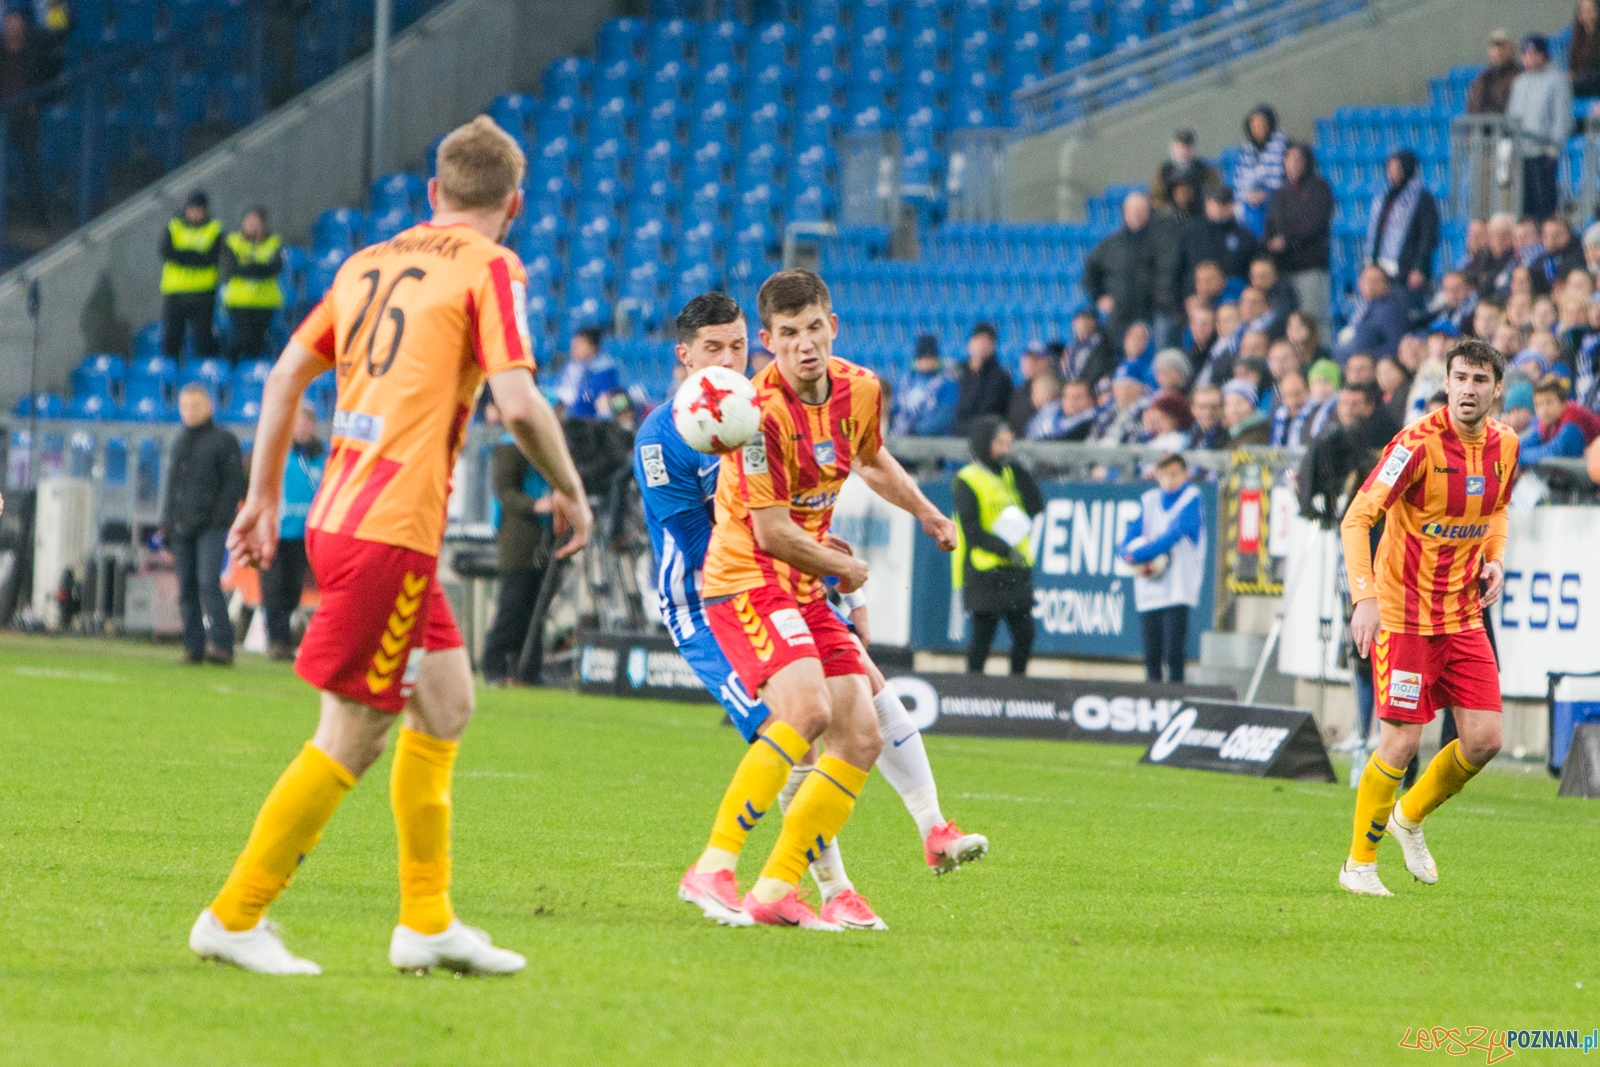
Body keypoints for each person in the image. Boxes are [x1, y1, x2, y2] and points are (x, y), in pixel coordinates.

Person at [188, 116, 593, 976]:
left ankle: (427, 919)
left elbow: (283, 376)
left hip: (342, 516)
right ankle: (233, 914)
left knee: (445, 702)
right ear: (514, 204)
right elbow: (518, 404)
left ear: (432, 195)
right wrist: (570, 485)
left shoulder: (364, 261)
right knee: (356, 730)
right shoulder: (493, 266)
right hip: (390, 533)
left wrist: (264, 498)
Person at [653, 295, 987, 932]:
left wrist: (925, 511)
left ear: (832, 327)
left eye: (813, 329)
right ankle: (714, 865)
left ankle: (778, 887)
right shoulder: (756, 413)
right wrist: (846, 572)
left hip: (802, 584)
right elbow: (773, 532)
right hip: (747, 579)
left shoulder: (861, 388)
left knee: (861, 734)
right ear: (770, 344)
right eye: (787, 334)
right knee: (806, 712)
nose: (804, 344)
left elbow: (871, 458)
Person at [1337, 339, 1518, 897]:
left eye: (1479, 379)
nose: (1468, 388)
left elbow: (1498, 509)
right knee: (1401, 741)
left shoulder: (1506, 445)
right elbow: (1357, 516)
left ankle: (1407, 816)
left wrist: (1494, 558)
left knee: (1486, 738)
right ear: (1446, 381)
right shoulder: (1415, 444)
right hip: (1404, 613)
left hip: (1462, 614)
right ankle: (1358, 866)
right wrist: (1363, 597)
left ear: (1495, 389)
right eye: (1459, 377)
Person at [162, 384, 247, 666]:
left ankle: (222, 645)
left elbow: (235, 482)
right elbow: (173, 487)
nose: (189, 411)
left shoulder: (224, 441)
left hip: (210, 525)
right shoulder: (179, 442)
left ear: (209, 407)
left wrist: (221, 517)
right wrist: (167, 524)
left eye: (195, 406)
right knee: (186, 586)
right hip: (181, 526)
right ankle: (193, 646)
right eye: (184, 406)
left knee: (208, 582)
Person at [953, 416, 1043, 677]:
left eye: (1008, 443)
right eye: (1000, 443)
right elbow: (972, 530)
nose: (1005, 449)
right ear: (984, 444)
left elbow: (1036, 506)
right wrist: (1005, 549)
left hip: (1016, 571)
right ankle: (974, 691)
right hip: (986, 570)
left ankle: (1017, 687)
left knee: (1025, 636)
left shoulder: (1011, 474)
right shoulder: (967, 479)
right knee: (983, 638)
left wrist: (1021, 472)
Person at [480, 406, 554, 686]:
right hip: (519, 539)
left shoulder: (544, 447)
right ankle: (494, 664)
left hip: (543, 536)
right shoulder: (510, 447)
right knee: (513, 605)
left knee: (537, 607)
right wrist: (536, 505)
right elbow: (504, 491)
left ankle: (528, 668)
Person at [1119, 453, 1205, 683]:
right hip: (1150, 587)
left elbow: (1171, 537)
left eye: (1175, 474)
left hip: (1179, 587)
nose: (1169, 480)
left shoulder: (1191, 498)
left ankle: (1176, 698)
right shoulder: (1148, 500)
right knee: (1151, 654)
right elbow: (1130, 534)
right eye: (1164, 475)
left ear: (1185, 474)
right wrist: (1123, 552)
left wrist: (1135, 555)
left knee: (1174, 653)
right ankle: (1153, 702)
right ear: (1156, 475)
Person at [260, 401, 323, 661]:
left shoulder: (322, 457)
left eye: (308, 423)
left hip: (303, 534)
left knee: (293, 588)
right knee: (273, 588)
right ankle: (277, 641)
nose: (304, 427)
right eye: (299, 422)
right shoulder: (278, 453)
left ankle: (285, 639)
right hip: (275, 533)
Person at [1264, 143, 1334, 336]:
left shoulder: (1319, 188)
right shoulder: (1280, 193)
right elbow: (1270, 226)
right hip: (1284, 269)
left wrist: (1287, 241)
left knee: (1313, 321)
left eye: (1298, 158)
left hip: (1310, 268)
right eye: (1289, 158)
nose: (1293, 163)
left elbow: (1315, 224)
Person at [1506, 35, 1573, 223]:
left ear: (1544, 55)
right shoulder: (1519, 82)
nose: (1529, 58)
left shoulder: (1556, 80)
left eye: (1534, 53)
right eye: (1526, 54)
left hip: (1543, 151)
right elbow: (1512, 116)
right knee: (1524, 207)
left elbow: (1562, 117)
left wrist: (1553, 148)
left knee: (1544, 206)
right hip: (1522, 153)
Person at [1084, 191, 1162, 341]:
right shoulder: (1110, 245)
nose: (1136, 215)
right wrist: (1099, 297)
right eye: (1132, 211)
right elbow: (1091, 272)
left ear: (1148, 213)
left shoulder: (1159, 242)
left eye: (1140, 211)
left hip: (1152, 313)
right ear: (1125, 213)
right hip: (1120, 316)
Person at [1365, 150, 1439, 301]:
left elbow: (1428, 236)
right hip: (1381, 268)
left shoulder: (1423, 199)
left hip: (1406, 271)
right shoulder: (1384, 198)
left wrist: (1419, 268)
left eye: (1397, 168)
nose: (1392, 173)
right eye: (1390, 168)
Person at [160, 190, 223, 359]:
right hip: (175, 292)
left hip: (203, 293)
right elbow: (166, 252)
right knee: (172, 338)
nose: (194, 213)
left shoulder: (214, 228)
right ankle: (172, 376)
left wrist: (182, 255)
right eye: (192, 209)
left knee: (203, 339)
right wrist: (196, 256)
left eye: (198, 209)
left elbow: (210, 258)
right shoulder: (174, 226)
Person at [220, 207, 286, 361]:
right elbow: (231, 268)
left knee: (258, 342)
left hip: (264, 301)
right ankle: (234, 371)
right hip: (239, 301)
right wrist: (259, 268)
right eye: (249, 222)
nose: (252, 226)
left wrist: (250, 267)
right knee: (240, 339)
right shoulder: (233, 242)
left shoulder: (273, 242)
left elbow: (275, 267)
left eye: (256, 222)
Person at [0, 11, 46, 223]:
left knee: (30, 158)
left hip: (25, 117)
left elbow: (42, 81)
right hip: (3, 116)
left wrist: (33, 103)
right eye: (9, 24)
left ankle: (37, 213)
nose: (13, 28)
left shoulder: (33, 52)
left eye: (17, 24)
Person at [1176, 187, 1259, 300]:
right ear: (1207, 204)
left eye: (1224, 203)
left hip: (1233, 301)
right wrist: (1184, 301)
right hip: (1198, 301)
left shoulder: (1245, 236)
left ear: (1231, 205)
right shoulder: (1192, 234)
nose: (1219, 207)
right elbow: (1178, 271)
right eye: (1214, 202)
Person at [1234, 104, 1287, 237]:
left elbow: (1286, 182)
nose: (1258, 128)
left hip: (1278, 201)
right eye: (1254, 125)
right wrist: (1249, 195)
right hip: (1252, 203)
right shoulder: (1246, 152)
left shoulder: (1285, 147)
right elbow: (1240, 184)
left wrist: (1266, 194)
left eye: (1262, 123)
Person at [1337, 266, 1410, 362]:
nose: (1370, 284)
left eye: (1376, 281)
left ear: (1387, 286)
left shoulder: (1390, 309)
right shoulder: (1359, 307)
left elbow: (1395, 346)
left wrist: (1364, 357)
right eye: (1366, 280)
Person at [891, 334, 959, 436]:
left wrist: (916, 431)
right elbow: (895, 409)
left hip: (934, 442)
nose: (926, 361)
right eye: (923, 357)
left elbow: (944, 415)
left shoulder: (947, 383)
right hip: (902, 436)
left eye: (930, 357)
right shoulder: (905, 381)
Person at [1521, 374, 1600, 460]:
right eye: (1538, 405)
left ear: (1563, 404)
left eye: (1549, 403)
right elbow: (1526, 443)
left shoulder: (1572, 422)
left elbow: (1553, 451)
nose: (1544, 410)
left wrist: (1517, 457)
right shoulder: (1547, 422)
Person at [954, 321, 1012, 432]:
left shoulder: (1000, 377)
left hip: (983, 433)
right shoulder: (957, 372)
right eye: (979, 341)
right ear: (970, 343)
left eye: (987, 342)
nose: (982, 346)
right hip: (954, 432)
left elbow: (991, 410)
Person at [554, 326, 621, 419]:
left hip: (590, 423)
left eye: (579, 345)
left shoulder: (605, 371)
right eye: (574, 345)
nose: (574, 349)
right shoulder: (570, 367)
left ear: (594, 347)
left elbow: (594, 398)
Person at [1150, 128, 1218, 217]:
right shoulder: (1164, 171)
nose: (1185, 150)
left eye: (1188, 146)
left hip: (1200, 214)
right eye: (1181, 146)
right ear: (1174, 147)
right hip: (1172, 217)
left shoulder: (1204, 169)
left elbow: (1214, 191)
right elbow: (1156, 199)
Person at [1466, 29, 1520, 114]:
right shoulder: (1483, 78)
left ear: (1511, 49)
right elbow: (1473, 108)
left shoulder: (1520, 76)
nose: (1497, 51)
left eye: (1502, 47)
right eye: (1493, 47)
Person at [1028, 377, 1098, 441]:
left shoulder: (1095, 417)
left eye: (1078, 397)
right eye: (1067, 397)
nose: (1072, 402)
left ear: (1091, 399)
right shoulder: (1054, 415)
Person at [1007, 340, 1054, 434]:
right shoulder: (1018, 392)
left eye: (1036, 359)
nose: (1030, 363)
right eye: (1027, 359)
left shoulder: (1056, 387)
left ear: (1046, 361)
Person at [1063, 306, 1117, 386]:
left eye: (1085, 318)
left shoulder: (1103, 344)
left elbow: (1098, 369)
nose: (1081, 323)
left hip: (1092, 388)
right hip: (1072, 387)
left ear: (1094, 322)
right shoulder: (1071, 347)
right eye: (1077, 319)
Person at [1269, 370, 1313, 447]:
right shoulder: (1278, 416)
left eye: (1297, 394)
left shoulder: (1315, 416)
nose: (1293, 401)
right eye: (1287, 395)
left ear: (1308, 391)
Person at [1221, 380, 1270, 445]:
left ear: (1252, 405)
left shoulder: (1260, 431)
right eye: (1228, 404)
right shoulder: (1229, 431)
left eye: (1239, 403)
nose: (1233, 409)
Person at [1572, 0, 1600, 98]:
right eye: (1580, 9)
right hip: (1580, 87)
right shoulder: (1578, 38)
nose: (1582, 13)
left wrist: (1578, 77)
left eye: (1587, 9)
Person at [1188, 384, 1226, 449]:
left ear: (1222, 408)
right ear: (1193, 409)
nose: (1208, 412)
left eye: (1214, 407)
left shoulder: (1230, 436)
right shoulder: (1189, 436)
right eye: (1202, 407)